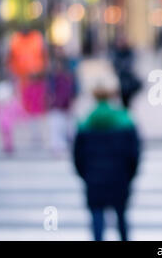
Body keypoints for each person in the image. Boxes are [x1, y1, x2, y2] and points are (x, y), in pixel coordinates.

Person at [73, 75, 141, 241]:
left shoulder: (85, 122)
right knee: (122, 219)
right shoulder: (125, 121)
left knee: (97, 221)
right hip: (119, 178)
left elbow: (77, 158)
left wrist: (87, 176)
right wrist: (129, 176)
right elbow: (134, 155)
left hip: (94, 180)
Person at [47, 55, 76, 155]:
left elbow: (73, 91)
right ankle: (57, 146)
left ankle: (65, 144)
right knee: (56, 127)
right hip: (56, 106)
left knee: (66, 127)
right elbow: (49, 91)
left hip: (65, 106)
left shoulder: (69, 78)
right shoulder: (52, 78)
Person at [111, 35, 142, 108]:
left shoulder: (129, 52)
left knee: (127, 103)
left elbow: (129, 66)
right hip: (118, 82)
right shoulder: (115, 53)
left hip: (128, 83)